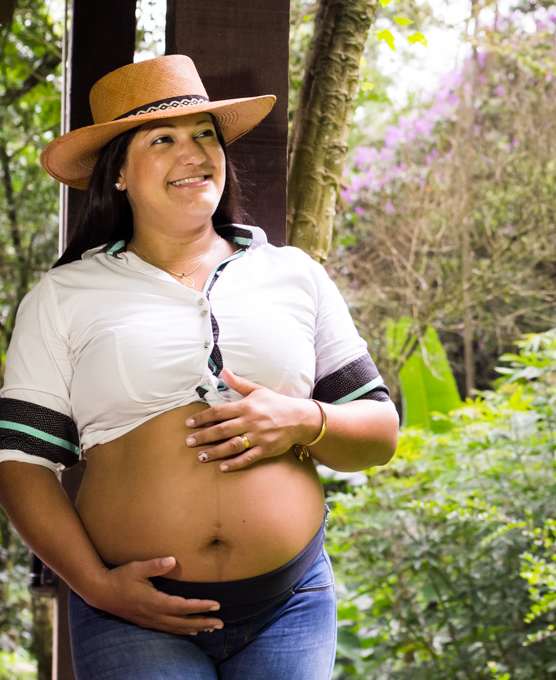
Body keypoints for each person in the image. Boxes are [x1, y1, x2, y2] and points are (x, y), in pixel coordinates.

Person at [0, 55, 399, 679]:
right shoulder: (64, 295)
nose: (194, 153)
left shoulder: (293, 274)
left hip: (290, 604)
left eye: (205, 136)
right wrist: (98, 588)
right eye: (163, 140)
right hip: (131, 615)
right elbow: (22, 467)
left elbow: (379, 433)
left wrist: (306, 421)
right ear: (120, 174)